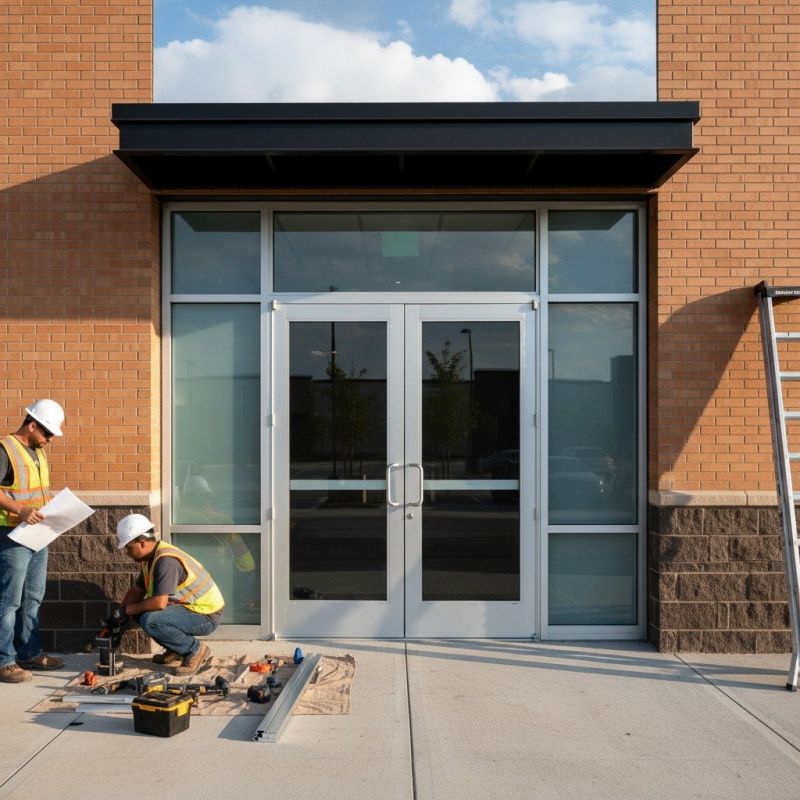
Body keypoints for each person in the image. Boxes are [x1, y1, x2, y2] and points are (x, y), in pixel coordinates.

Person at [0, 400, 66, 683]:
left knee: (33, 597)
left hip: (38, 534)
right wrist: (21, 510)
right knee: (9, 600)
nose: (50, 440)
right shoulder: (5, 449)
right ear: (32, 424)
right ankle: (5, 661)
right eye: (47, 434)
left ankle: (30, 652)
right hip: (13, 535)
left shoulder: (37, 452)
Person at [116, 513, 225, 674]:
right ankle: (176, 649)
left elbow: (159, 603)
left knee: (150, 620)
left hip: (207, 614)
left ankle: (194, 650)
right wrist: (119, 613)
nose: (127, 552)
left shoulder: (166, 561)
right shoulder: (151, 560)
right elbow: (137, 590)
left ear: (141, 543)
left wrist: (127, 610)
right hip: (191, 610)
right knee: (139, 612)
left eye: (128, 547)